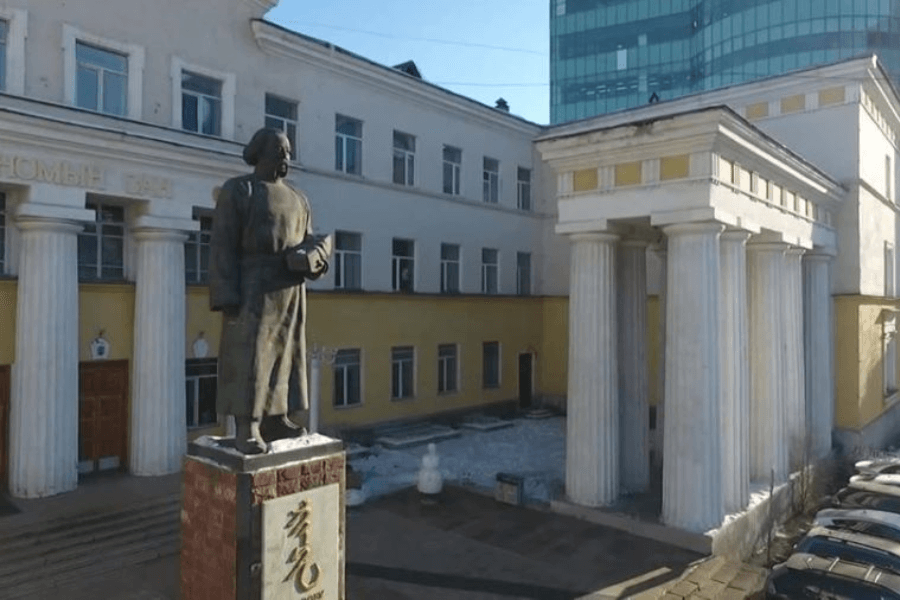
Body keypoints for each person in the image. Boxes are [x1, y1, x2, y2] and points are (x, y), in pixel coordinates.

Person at [209, 128, 332, 454]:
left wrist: (315, 257)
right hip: (252, 286)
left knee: (287, 354)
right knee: (250, 356)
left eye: (288, 152)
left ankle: (277, 417)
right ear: (259, 153)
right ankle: (247, 426)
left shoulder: (298, 198)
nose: (286, 158)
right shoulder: (239, 190)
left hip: (290, 289)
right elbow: (222, 245)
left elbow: (308, 241)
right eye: (280, 151)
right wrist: (226, 294)